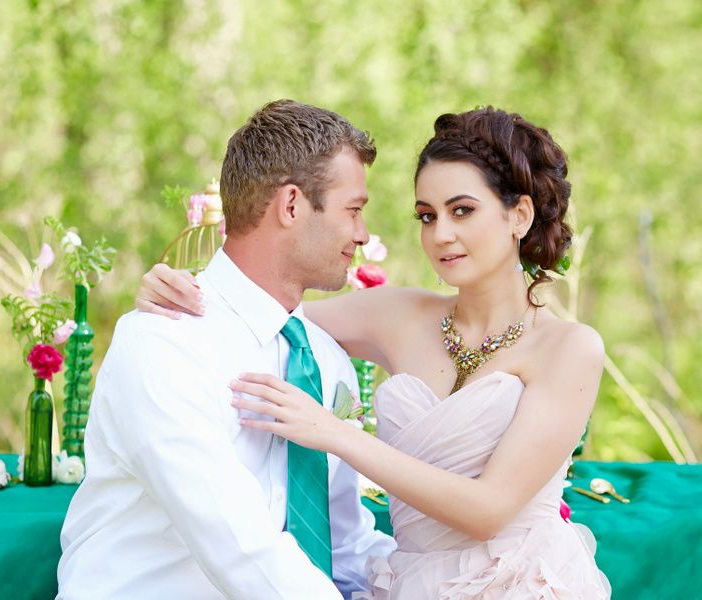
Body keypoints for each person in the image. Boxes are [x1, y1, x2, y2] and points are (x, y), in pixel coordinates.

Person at [136, 107, 612, 598]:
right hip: (414, 584)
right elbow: (257, 314)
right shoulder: (397, 313)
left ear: (520, 215)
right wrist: (179, 289)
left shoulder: (569, 347)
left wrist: (337, 435)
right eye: (427, 215)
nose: (440, 234)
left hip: (519, 582)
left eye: (462, 210)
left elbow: (488, 510)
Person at [56, 100, 395, 600]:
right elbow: (238, 545)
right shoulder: (163, 343)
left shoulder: (326, 361)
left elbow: (342, 547)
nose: (362, 234)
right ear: (292, 205)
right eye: (354, 210)